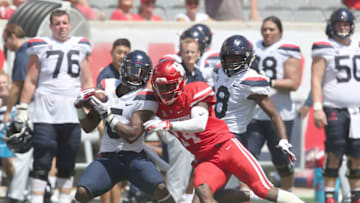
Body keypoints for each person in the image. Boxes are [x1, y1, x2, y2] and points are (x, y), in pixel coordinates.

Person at [144, 59, 304, 203]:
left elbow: (199, 124)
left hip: (226, 147)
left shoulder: (194, 91)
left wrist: (168, 125)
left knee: (264, 190)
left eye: (168, 86)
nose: (164, 92)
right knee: (202, 192)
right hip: (205, 157)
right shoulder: (157, 105)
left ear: (180, 82)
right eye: (160, 87)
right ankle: (250, 195)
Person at [14, 9, 94, 203]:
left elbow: (87, 79)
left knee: (67, 163)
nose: (61, 27)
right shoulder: (41, 45)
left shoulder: (80, 45)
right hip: (45, 111)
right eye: (57, 23)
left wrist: (91, 104)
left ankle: (63, 200)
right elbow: (31, 80)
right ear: (50, 26)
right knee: (42, 160)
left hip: (72, 112)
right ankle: (36, 199)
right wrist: (23, 107)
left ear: (70, 24)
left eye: (64, 23)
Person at [73, 50, 174, 203]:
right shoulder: (107, 86)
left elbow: (132, 135)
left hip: (134, 158)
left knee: (160, 189)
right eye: (133, 71)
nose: (136, 77)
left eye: (141, 73)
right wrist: (79, 109)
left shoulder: (146, 97)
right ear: (124, 70)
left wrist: (107, 115)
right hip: (108, 157)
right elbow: (88, 127)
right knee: (81, 192)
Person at [247, 16, 302, 191]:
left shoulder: (288, 49)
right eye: (265, 29)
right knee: (247, 158)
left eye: (271, 29)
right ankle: (245, 197)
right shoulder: (253, 48)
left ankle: (288, 195)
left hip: (280, 114)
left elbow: (293, 83)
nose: (267, 32)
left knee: (282, 162)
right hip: (255, 114)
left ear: (280, 31)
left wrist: (267, 81)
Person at [311, 8, 360, 203]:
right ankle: (329, 196)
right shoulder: (324, 47)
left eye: (346, 24)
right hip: (334, 108)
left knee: (357, 153)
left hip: (357, 111)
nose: (342, 28)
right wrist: (317, 107)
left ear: (351, 26)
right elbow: (316, 79)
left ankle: (356, 196)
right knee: (335, 150)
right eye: (339, 24)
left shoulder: (357, 46)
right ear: (331, 26)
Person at [95, 38, 131, 203]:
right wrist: (102, 127)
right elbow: (97, 103)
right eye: (119, 52)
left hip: (125, 129)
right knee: (108, 173)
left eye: (125, 53)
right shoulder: (106, 76)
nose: (122, 56)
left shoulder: (132, 74)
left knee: (120, 177)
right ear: (112, 53)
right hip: (109, 129)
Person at [2, 24, 33, 203]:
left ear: (13, 36)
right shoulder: (32, 50)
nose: (6, 45)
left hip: (28, 107)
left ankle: (16, 195)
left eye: (6, 41)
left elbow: (17, 86)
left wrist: (8, 112)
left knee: (22, 151)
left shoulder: (23, 53)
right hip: (42, 107)